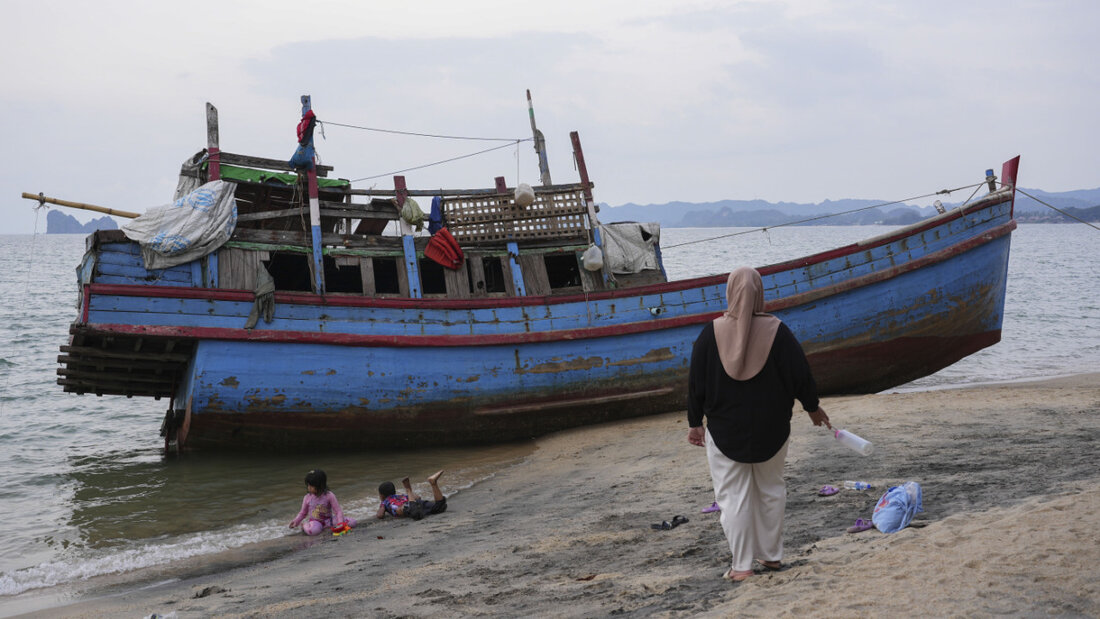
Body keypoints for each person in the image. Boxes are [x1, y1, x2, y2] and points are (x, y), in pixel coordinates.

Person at [687, 266, 831, 583]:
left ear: (729, 292)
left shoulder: (710, 334)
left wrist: (695, 422)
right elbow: (800, 375)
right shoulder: (778, 332)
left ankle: (741, 566)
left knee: (733, 497)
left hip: (725, 433)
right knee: (770, 491)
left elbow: (695, 381)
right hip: (773, 431)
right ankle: (771, 557)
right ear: (760, 293)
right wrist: (812, 407)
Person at [288, 469, 357, 535]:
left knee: (353, 522)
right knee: (314, 531)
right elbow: (303, 513)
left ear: (320, 485)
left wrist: (340, 523)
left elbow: (338, 511)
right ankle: (304, 525)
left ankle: (326, 527)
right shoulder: (307, 497)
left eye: (311, 486)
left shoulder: (329, 495)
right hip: (315, 522)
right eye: (308, 485)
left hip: (329, 521)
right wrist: (296, 521)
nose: (309, 487)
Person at [376, 470, 447, 521]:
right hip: (416, 503)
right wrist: (409, 494)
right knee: (439, 508)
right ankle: (433, 483)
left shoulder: (384, 502)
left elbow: (380, 515)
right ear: (394, 492)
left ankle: (408, 489)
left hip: (407, 507)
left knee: (416, 515)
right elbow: (418, 497)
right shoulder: (401, 496)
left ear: (381, 495)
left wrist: (382, 507)